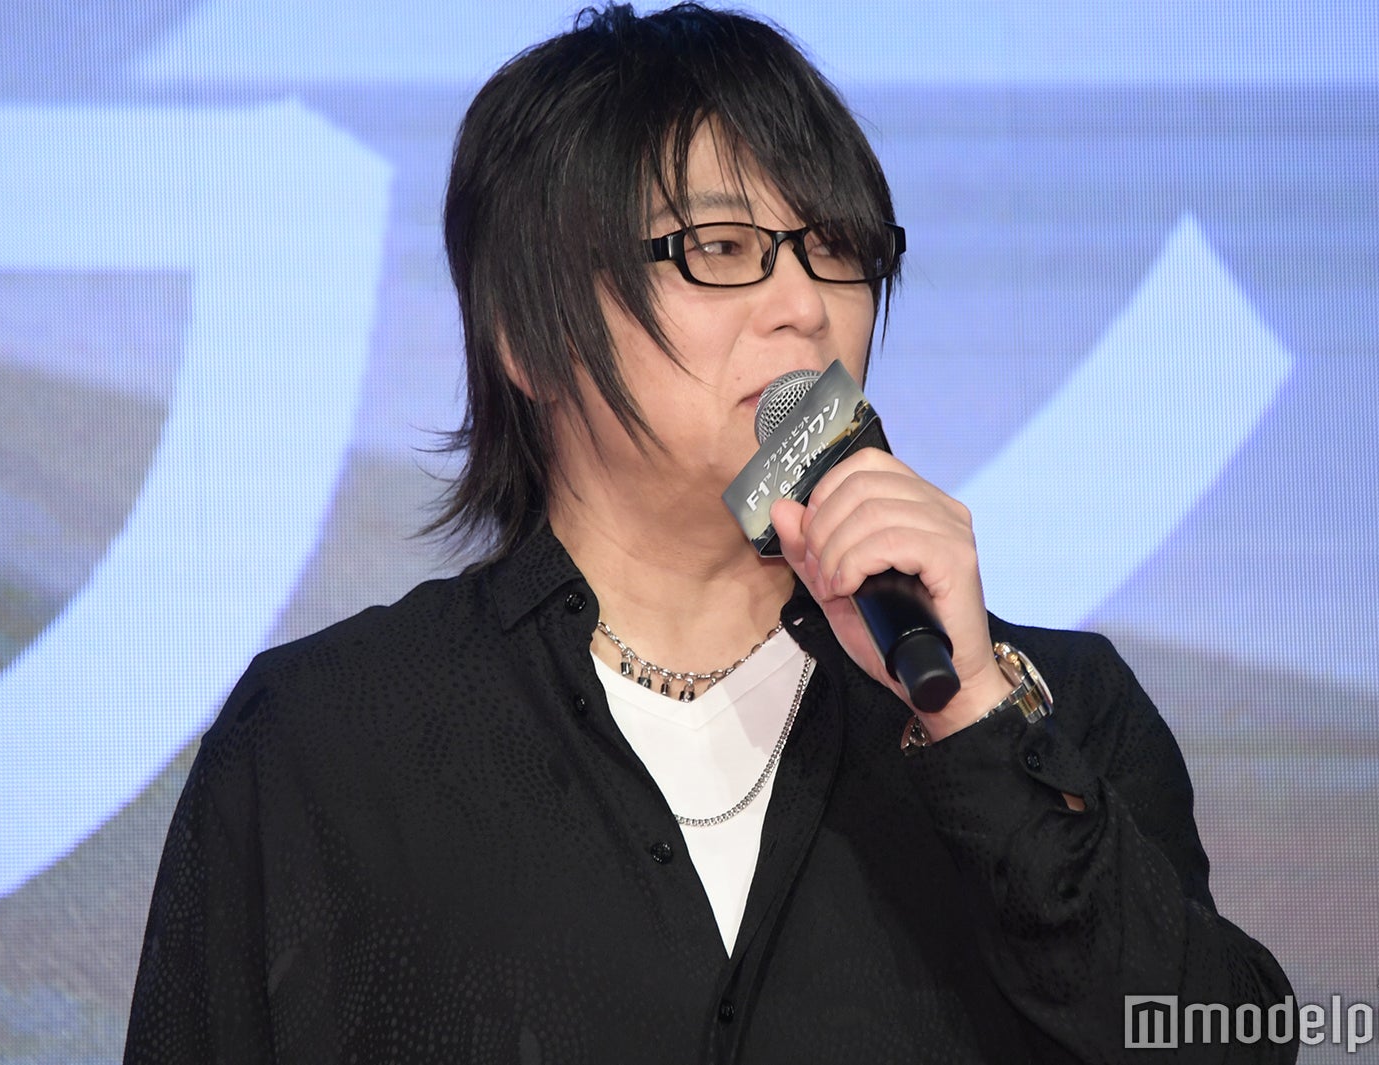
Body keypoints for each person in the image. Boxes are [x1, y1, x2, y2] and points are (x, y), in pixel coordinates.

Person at [125, 4, 1295, 1062]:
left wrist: (974, 719)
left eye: (837, 247)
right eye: (720, 249)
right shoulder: (331, 744)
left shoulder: (1053, 710)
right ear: (526, 333)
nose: (805, 306)